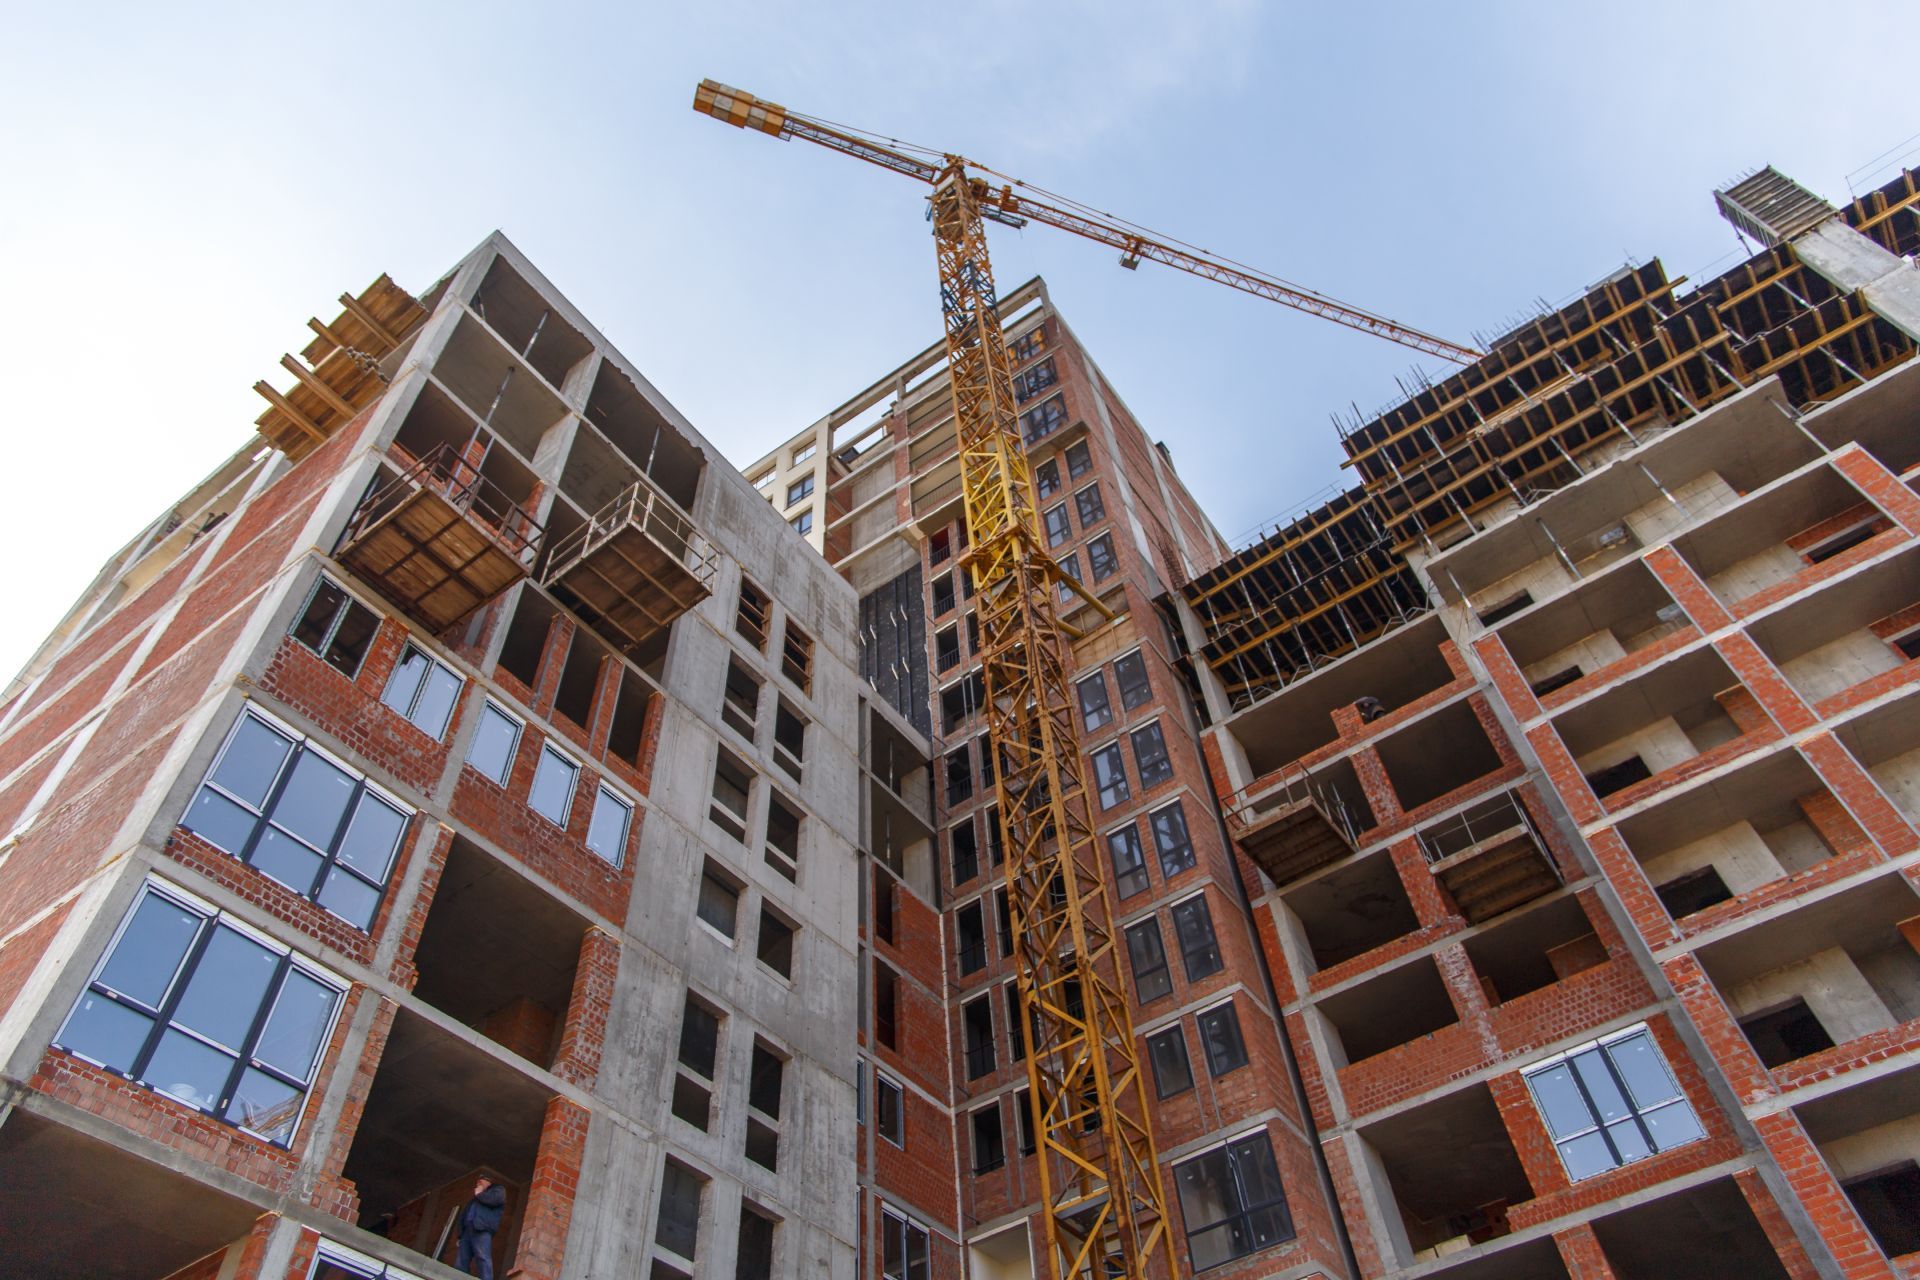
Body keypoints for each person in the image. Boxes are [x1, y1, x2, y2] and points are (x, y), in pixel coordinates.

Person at [456, 1176, 508, 1280]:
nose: (478, 1184)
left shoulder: (498, 1190)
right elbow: (464, 1215)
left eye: (481, 1181)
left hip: (481, 1229)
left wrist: (479, 1194)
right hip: (467, 1231)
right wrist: (460, 1235)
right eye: (477, 1182)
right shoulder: (475, 1199)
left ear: (489, 1182)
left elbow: (494, 1200)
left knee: (483, 1257)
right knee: (461, 1260)